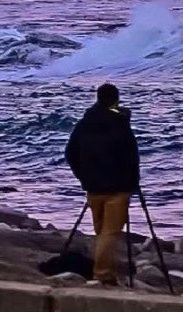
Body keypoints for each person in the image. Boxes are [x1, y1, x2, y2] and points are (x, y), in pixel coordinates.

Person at [65, 83, 140, 287]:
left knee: (101, 230)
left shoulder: (85, 122)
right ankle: (103, 273)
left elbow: (70, 153)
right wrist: (134, 181)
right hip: (118, 186)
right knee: (110, 232)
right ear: (116, 99)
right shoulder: (119, 123)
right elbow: (131, 155)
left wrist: (82, 176)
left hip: (92, 186)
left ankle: (103, 268)